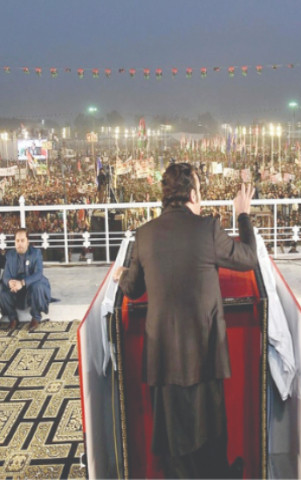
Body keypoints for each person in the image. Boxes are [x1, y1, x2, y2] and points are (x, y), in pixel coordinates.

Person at [114, 163, 257, 479]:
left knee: (173, 448)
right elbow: (248, 257)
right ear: (193, 194)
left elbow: (134, 288)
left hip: (163, 361)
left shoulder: (145, 234)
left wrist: (120, 275)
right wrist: (243, 213)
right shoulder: (207, 229)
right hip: (205, 357)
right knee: (211, 440)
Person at [0, 228, 51, 332]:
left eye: (22, 240)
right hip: (16, 291)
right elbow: (5, 276)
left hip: (30, 288)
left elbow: (38, 274)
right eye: (17, 241)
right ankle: (13, 319)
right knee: (0, 289)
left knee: (38, 285)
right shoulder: (10, 255)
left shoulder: (36, 253)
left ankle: (36, 317)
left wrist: (22, 283)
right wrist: (10, 283)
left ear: (28, 242)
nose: (20, 244)